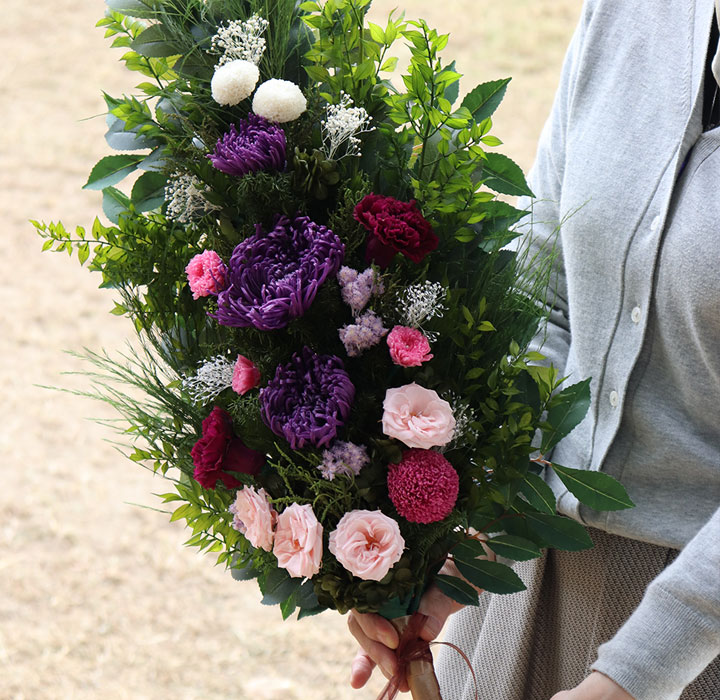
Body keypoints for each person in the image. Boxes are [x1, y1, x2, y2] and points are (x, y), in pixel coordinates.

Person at [347, 0, 720, 697]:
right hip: (535, 582)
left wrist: (633, 678)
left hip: (698, 642)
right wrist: (465, 549)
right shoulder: (630, 13)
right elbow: (543, 295)